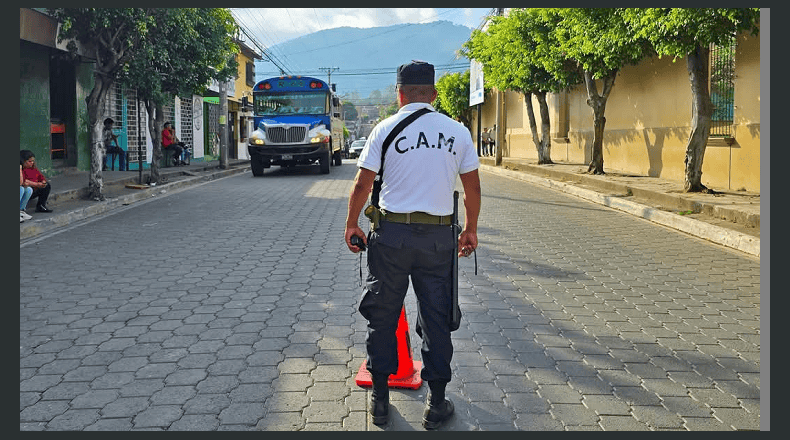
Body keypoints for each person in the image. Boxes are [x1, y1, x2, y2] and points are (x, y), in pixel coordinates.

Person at [344, 60, 481, 429]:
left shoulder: (383, 129)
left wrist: (351, 224)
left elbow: (361, 185)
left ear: (399, 94)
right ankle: (436, 404)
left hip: (390, 238)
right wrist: (470, 230)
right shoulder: (458, 132)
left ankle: (381, 402)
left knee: (382, 317)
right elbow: (472, 189)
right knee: (437, 318)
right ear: (434, 95)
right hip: (438, 240)